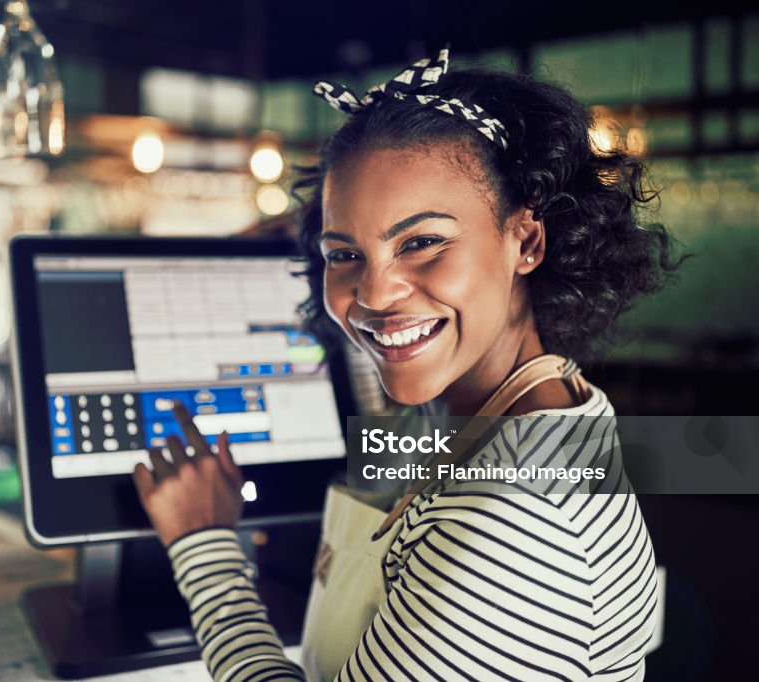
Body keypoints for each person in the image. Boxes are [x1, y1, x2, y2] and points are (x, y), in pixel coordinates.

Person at [133, 47, 684, 681]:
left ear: (527, 240)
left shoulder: (512, 522)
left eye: (421, 243)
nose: (373, 294)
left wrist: (204, 547)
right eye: (344, 255)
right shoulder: (551, 408)